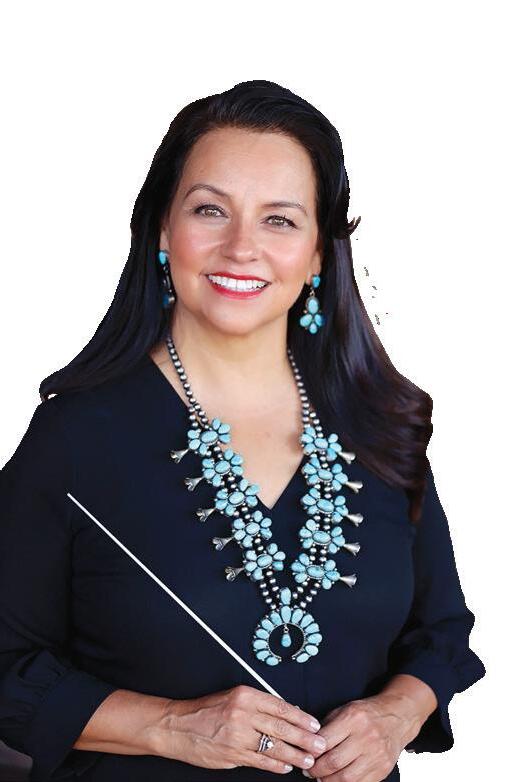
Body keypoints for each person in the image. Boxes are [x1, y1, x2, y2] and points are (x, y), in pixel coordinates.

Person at [0, 80, 486, 782]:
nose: (240, 248)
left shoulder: (378, 423)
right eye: (210, 210)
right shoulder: (75, 437)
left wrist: (394, 716)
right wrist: (169, 725)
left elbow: (440, 634)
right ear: (162, 230)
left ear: (319, 253)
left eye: (279, 221)